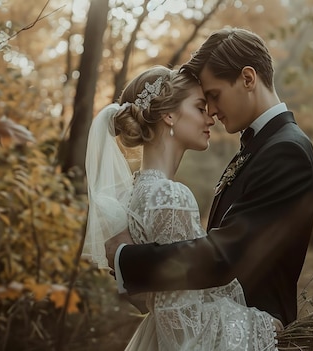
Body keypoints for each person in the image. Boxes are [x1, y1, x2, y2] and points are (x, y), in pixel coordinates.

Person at [105, 27, 313, 327]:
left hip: (253, 331)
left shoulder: (286, 150)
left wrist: (127, 259)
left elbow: (225, 255)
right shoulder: (259, 146)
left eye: (214, 96)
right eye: (204, 102)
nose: (213, 111)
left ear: (248, 78)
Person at [83, 65, 279, 350]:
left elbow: (150, 299)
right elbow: (183, 325)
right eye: (200, 108)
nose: (211, 116)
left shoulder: (135, 193)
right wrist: (260, 325)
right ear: (169, 115)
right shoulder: (169, 196)